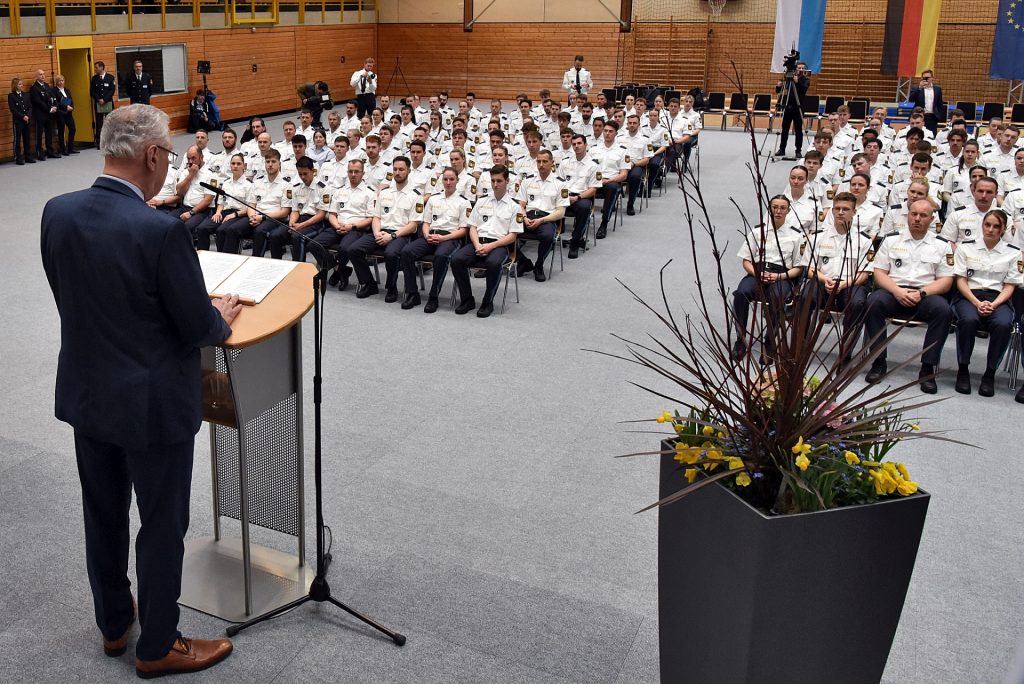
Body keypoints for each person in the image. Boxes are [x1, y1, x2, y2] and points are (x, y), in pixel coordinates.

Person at [39, 103, 237, 678]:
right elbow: (197, 327)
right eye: (168, 157)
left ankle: (113, 624)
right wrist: (217, 312)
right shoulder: (159, 230)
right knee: (161, 526)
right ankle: (157, 645)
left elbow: (74, 297)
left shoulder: (57, 212)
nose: (168, 167)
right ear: (152, 155)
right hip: (152, 408)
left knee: (101, 514)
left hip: (87, 394)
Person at [863, 198, 954, 394]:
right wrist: (897, 291)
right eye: (914, 214)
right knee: (873, 302)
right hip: (894, 291)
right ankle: (878, 362)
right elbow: (879, 273)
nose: (917, 219)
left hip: (925, 294)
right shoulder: (891, 239)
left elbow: (946, 281)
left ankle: (927, 368)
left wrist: (922, 292)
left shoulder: (941, 245)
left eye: (923, 215)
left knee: (943, 310)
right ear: (908, 215)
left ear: (931, 219)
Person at [951, 210, 1021, 396]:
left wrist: (994, 304)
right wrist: (976, 302)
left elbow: (1009, 286)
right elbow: (960, 280)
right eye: (987, 225)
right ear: (982, 225)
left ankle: (990, 374)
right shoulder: (966, 247)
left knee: (1004, 323)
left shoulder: (1013, 253)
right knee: (968, 320)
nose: (990, 230)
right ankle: (963, 369)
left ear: (1003, 229)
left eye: (996, 226)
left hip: (998, 298)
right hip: (969, 296)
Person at [799, 192, 873, 363]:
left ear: (854, 212)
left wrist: (843, 284)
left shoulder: (864, 241)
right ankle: (801, 346)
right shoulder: (817, 237)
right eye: (837, 209)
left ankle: (845, 351)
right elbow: (809, 269)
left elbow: (864, 274)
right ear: (832, 211)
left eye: (845, 209)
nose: (840, 212)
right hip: (822, 280)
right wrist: (825, 280)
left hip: (850, 284)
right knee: (804, 297)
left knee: (858, 303)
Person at [731, 195, 805, 361]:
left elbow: (798, 268)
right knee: (741, 293)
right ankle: (740, 340)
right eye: (775, 207)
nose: (778, 211)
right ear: (769, 209)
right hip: (757, 272)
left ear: (788, 210)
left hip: (782, 275)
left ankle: (770, 341)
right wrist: (756, 273)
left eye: (782, 208)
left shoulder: (796, 236)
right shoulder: (758, 231)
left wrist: (779, 276)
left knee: (778, 297)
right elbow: (746, 260)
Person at [450, 164, 524, 318]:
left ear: (507, 181)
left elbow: (512, 236)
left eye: (499, 181)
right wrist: (477, 244)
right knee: (456, 259)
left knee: (493, 263)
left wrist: (491, 246)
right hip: (478, 242)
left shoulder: (514, 207)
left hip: (500, 245)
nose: (495, 185)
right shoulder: (481, 201)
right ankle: (467, 299)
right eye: (492, 181)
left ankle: (487, 301)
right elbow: (473, 227)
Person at [399, 166, 472, 311]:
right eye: (445, 179)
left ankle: (433, 296)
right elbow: (426, 223)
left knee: (441, 256)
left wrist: (444, 238)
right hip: (431, 235)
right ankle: (412, 293)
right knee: (406, 251)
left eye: (452, 179)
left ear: (457, 181)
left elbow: (463, 230)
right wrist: (426, 234)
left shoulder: (464, 202)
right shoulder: (433, 199)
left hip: (451, 238)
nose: (448, 182)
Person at [350, 156, 422, 300]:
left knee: (391, 253)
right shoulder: (384, 193)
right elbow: (376, 217)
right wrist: (376, 232)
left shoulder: (415, 196)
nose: (397, 172)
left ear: (409, 171)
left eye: (401, 169)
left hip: (402, 235)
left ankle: (391, 287)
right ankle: (369, 283)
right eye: (395, 169)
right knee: (354, 250)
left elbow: (413, 225)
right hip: (381, 231)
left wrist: (393, 236)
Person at [518, 150, 569, 282]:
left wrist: (541, 220)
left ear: (552, 163)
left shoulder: (561, 183)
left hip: (547, 218)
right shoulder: (527, 181)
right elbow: (520, 204)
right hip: (528, 216)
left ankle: (539, 265)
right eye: (539, 161)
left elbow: (561, 212)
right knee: (504, 232)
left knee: (547, 236)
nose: (541, 164)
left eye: (545, 161)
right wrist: (524, 218)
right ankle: (523, 261)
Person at [194, 153, 253, 252]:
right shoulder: (225, 183)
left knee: (222, 230)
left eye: (238, 164)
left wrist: (234, 215)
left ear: (244, 166)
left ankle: (223, 258)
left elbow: (250, 206)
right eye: (233, 163)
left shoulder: (249, 185)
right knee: (202, 228)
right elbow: (221, 202)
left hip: (239, 215)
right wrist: (217, 212)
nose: (235, 166)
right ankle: (202, 257)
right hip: (223, 212)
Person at [774, 61, 810, 160]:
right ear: (795, 69)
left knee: (798, 130)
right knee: (784, 129)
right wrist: (779, 85)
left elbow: (803, 89)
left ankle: (798, 150)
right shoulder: (788, 79)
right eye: (799, 68)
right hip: (788, 107)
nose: (801, 70)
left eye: (803, 68)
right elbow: (778, 91)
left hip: (799, 108)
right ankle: (782, 149)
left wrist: (797, 81)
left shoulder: (805, 80)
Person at [29, 69, 59, 161]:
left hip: (49, 114)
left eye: (43, 74)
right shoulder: (34, 88)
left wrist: (54, 106)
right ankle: (40, 153)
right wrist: (49, 109)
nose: (43, 76)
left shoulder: (46, 86)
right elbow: (38, 102)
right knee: (39, 134)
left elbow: (52, 97)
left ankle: (50, 152)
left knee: (49, 133)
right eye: (40, 74)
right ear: (37, 76)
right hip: (40, 114)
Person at [907, 69, 945, 136]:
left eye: (928, 77)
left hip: (932, 117)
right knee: (917, 134)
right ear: (921, 78)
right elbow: (911, 99)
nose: (926, 79)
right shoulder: (917, 88)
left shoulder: (937, 89)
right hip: (919, 116)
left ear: (932, 78)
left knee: (931, 136)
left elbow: (940, 104)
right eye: (924, 78)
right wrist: (920, 87)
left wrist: (939, 116)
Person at [90, 61, 117, 147]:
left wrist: (104, 100)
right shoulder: (94, 78)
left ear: (101, 68)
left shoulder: (110, 78)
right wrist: (98, 99)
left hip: (108, 102)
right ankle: (99, 142)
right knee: (99, 123)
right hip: (98, 103)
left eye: (96, 67)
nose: (95, 69)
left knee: (110, 121)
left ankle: (111, 141)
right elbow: (92, 91)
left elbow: (112, 90)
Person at [51, 74, 78, 156]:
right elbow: (56, 103)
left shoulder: (67, 90)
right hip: (60, 113)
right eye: (59, 81)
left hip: (68, 113)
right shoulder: (54, 91)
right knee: (61, 130)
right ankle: (63, 149)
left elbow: (71, 100)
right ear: (56, 82)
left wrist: (72, 107)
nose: (61, 82)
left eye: (62, 80)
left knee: (72, 129)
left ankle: (71, 147)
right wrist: (65, 106)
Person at [8, 77, 33, 165]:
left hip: (27, 120)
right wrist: (23, 116)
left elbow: (30, 107)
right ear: (15, 85)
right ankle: (18, 157)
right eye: (19, 84)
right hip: (18, 121)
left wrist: (28, 116)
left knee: (27, 138)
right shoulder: (11, 96)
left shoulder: (26, 95)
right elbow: (13, 109)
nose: (21, 85)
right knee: (18, 139)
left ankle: (28, 156)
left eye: (21, 84)